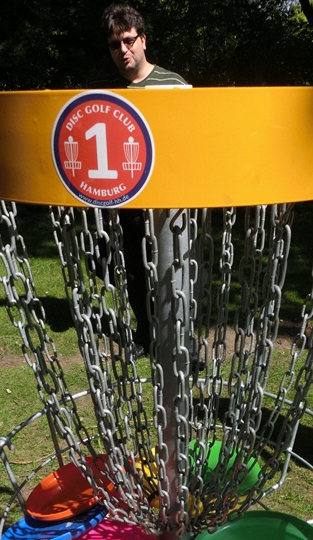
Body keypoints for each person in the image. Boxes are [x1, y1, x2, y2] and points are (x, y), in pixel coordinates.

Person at [96, 4, 189, 357]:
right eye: (114, 44)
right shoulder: (104, 90)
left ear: (143, 40)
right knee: (135, 271)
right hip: (126, 200)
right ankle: (145, 335)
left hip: (169, 201)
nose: (123, 50)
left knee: (177, 272)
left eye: (128, 40)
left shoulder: (174, 83)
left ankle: (183, 341)